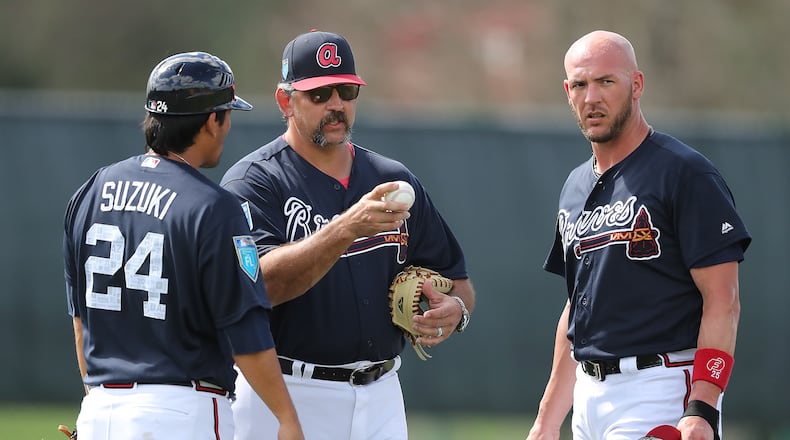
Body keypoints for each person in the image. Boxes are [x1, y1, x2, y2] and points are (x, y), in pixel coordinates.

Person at [220, 30, 476, 440]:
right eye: (319, 94)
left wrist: (455, 311)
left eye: (346, 91)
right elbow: (259, 285)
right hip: (287, 391)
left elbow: (458, 280)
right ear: (286, 101)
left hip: (382, 393)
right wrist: (345, 228)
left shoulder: (392, 180)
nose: (336, 105)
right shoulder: (255, 182)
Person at [62, 51, 303, 440]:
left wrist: (100, 403)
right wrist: (286, 418)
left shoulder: (90, 191)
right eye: (227, 115)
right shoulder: (214, 207)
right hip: (179, 413)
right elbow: (245, 330)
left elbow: (81, 324)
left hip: (99, 410)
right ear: (211, 121)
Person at [525, 30, 751, 440]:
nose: (591, 97)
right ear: (567, 91)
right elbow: (577, 310)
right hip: (589, 398)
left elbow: (723, 299)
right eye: (580, 84)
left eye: (605, 81)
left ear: (636, 84)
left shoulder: (684, 172)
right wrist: (546, 419)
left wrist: (703, 405)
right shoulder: (575, 186)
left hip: (660, 387)